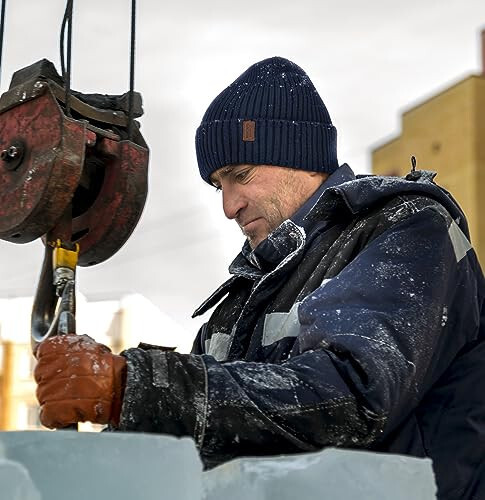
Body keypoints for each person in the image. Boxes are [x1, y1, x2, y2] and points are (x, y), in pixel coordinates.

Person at [34, 57, 484, 499]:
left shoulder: (406, 228)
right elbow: (200, 438)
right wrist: (102, 429)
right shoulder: (241, 300)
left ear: (301, 157)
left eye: (240, 176)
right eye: (218, 186)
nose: (229, 207)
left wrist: (132, 386)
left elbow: (353, 394)